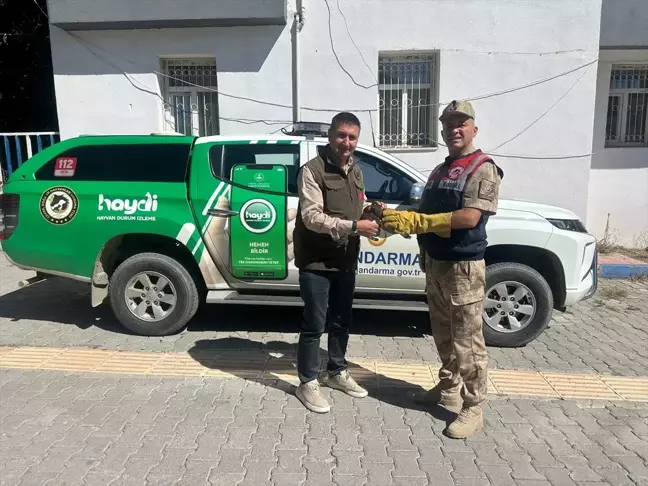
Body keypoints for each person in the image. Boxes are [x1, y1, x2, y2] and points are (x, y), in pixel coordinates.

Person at [381, 100, 503, 438]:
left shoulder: (482, 167)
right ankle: (449, 385)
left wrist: (419, 220)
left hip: (462, 267)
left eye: (461, 123)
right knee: (443, 332)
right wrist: (395, 218)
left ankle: (474, 405)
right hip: (435, 264)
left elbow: (470, 217)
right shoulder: (439, 170)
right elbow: (424, 214)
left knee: (468, 340)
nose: (454, 129)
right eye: (449, 124)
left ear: (473, 128)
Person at [292, 112, 381, 413]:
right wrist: (356, 226)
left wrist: (372, 209)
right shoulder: (312, 171)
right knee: (315, 323)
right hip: (317, 261)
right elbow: (312, 217)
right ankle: (306, 382)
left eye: (352, 137)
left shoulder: (355, 169)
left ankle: (337, 372)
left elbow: (356, 203)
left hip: (345, 259)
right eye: (341, 135)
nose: (346, 143)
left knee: (342, 320)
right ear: (330, 136)